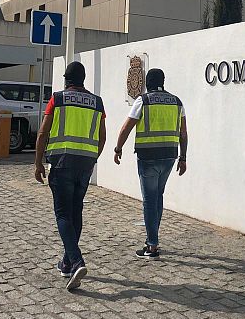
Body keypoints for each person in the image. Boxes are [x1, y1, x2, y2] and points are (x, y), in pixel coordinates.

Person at [34, 61, 105, 290]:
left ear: (67, 79)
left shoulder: (58, 98)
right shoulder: (97, 102)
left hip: (62, 163)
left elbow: (44, 131)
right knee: (76, 212)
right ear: (83, 79)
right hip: (85, 164)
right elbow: (102, 137)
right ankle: (66, 262)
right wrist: (93, 157)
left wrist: (37, 163)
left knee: (63, 215)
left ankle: (76, 261)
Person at [113, 68, 187, 259]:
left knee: (149, 200)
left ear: (147, 82)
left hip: (148, 158)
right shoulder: (177, 102)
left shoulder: (143, 100)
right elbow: (183, 133)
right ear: (163, 81)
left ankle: (152, 245)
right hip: (170, 157)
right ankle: (152, 239)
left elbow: (126, 127)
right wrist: (183, 158)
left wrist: (118, 148)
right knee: (158, 197)